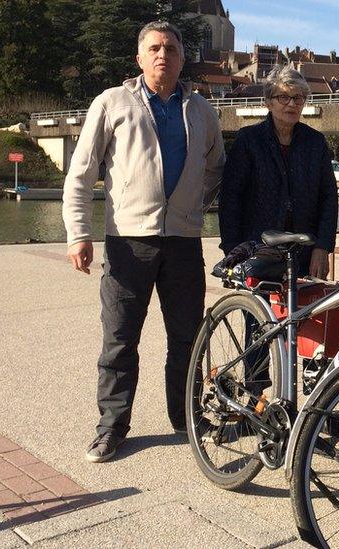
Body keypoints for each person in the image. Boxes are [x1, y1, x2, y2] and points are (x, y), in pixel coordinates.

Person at [62, 21, 225, 463]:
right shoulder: (112, 103)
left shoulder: (201, 110)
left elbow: (216, 166)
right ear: (139, 58)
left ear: (181, 57)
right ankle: (111, 427)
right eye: (153, 48)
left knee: (188, 340)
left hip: (183, 242)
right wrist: (79, 233)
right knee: (119, 339)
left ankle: (186, 417)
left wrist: (193, 203)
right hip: (128, 243)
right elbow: (81, 174)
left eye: (171, 49)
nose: (163, 56)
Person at [219, 66, 338, 278]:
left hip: (305, 252)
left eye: (298, 98)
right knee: (259, 311)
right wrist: (233, 249)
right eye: (283, 97)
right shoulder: (249, 140)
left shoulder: (315, 142)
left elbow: (328, 198)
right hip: (258, 250)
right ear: (268, 102)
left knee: (306, 310)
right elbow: (231, 198)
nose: (292, 103)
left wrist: (323, 247)